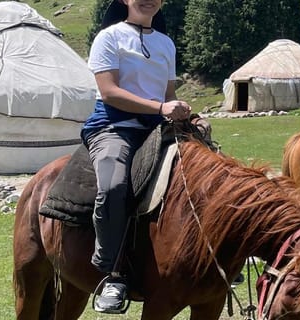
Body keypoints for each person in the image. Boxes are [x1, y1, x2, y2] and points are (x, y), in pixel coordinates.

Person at [82, 0, 191, 313]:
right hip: (114, 127)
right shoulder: (109, 37)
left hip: (158, 128)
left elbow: (167, 96)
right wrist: (159, 108)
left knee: (212, 174)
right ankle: (111, 273)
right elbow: (109, 92)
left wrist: (180, 110)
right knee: (114, 187)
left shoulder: (165, 43)